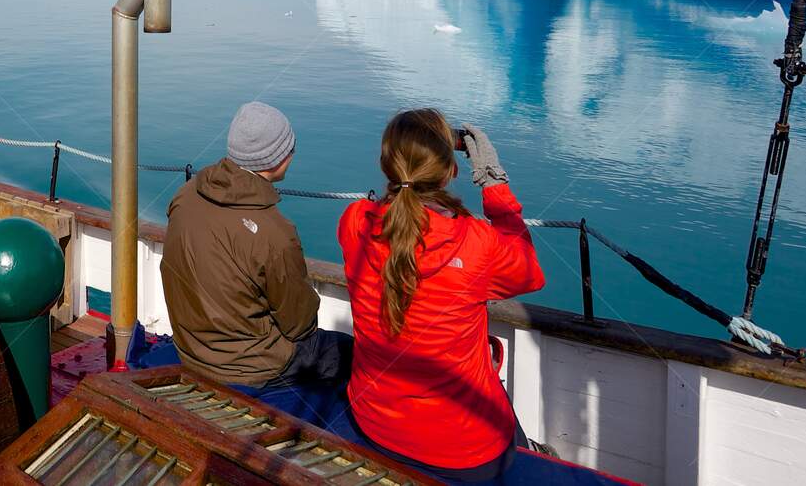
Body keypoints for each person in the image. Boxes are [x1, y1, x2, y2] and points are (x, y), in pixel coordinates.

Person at [334, 109, 543, 483]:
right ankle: (530, 453)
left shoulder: (355, 223)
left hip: (375, 424)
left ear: (387, 166)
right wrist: (494, 183)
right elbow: (529, 272)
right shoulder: (478, 243)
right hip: (466, 450)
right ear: (450, 172)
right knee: (501, 406)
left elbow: (401, 229)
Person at [161, 102, 349, 420]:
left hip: (190, 348)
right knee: (348, 353)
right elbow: (299, 324)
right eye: (290, 147)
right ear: (276, 160)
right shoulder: (274, 231)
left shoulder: (186, 193)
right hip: (249, 367)